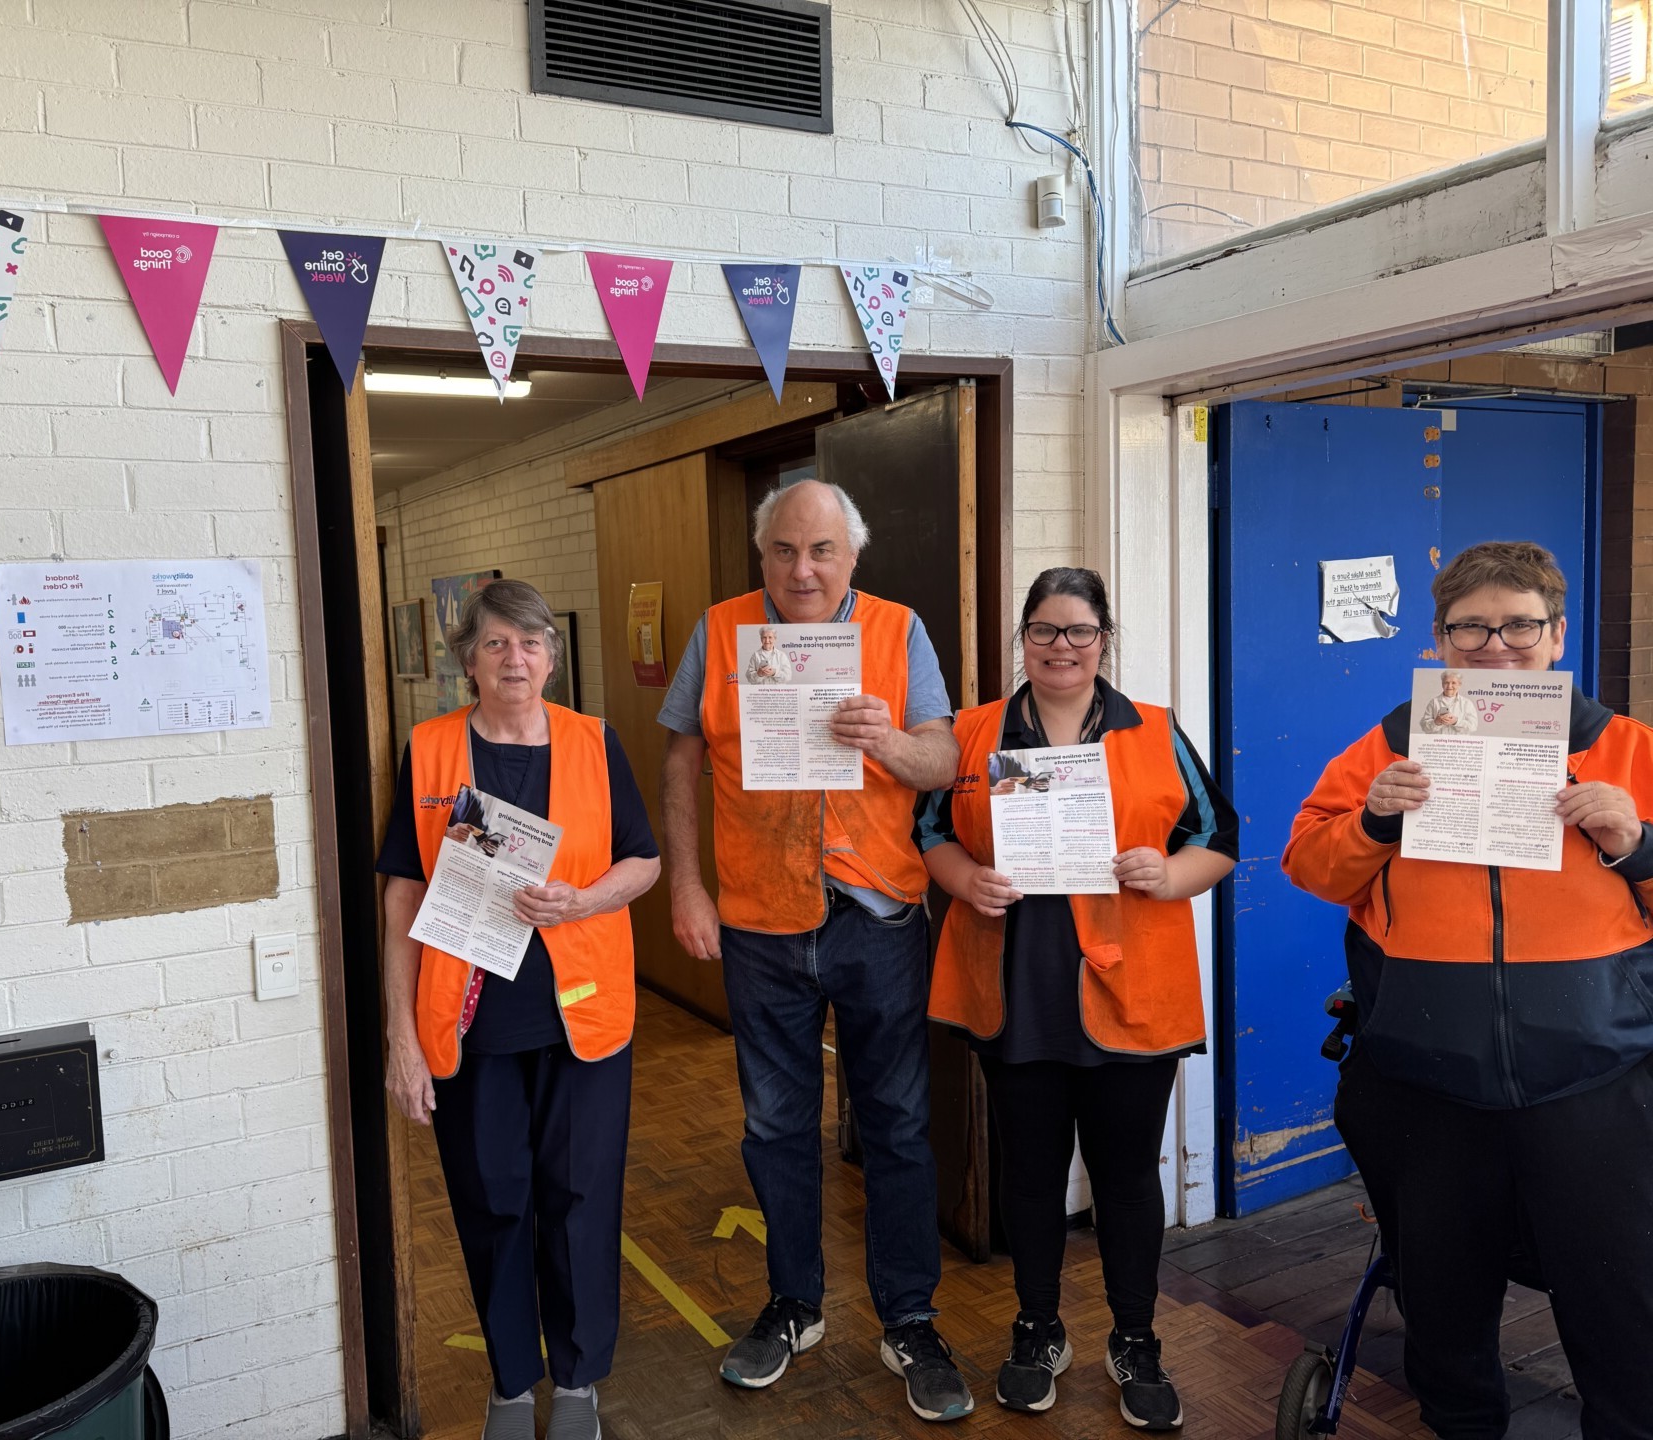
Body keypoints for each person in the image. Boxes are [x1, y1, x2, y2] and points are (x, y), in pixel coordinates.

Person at [1283, 541, 1653, 1440]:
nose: (1496, 646)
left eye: (1519, 625)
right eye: (1471, 628)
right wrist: (1374, 818)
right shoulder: (1388, 744)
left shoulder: (1630, 749)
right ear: (1439, 639)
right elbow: (1308, 864)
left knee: (1618, 1301)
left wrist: (1638, 842)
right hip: (1428, 1085)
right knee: (1443, 1307)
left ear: (1557, 635)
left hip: (1592, 1082)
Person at [657, 479, 974, 1422]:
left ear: (852, 555)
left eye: (822, 550)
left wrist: (888, 741)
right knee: (774, 1128)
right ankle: (794, 1305)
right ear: (762, 556)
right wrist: (684, 885)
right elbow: (680, 755)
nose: (803, 568)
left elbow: (944, 759)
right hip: (759, 919)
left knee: (900, 1128)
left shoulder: (898, 628)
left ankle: (908, 1317)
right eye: (784, 550)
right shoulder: (720, 633)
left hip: (878, 918)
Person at [917, 566, 1236, 1432]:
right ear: (1022, 638)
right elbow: (930, 833)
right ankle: (1037, 1330)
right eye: (1045, 631)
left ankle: (1135, 1339)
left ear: (1104, 639)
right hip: (1016, 992)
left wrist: (1166, 874)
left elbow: (1218, 839)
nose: (1062, 648)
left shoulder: (1156, 730)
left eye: (1080, 632)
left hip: (1133, 992)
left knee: (1129, 1175)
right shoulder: (976, 731)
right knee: (1031, 1172)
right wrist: (966, 880)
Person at [378, 579, 661, 1440]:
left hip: (584, 1020)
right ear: (468, 660)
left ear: (551, 656)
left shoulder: (592, 741)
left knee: (580, 1202)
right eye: (497, 644)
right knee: (492, 1201)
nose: (516, 659)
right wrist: (398, 1037)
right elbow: (401, 897)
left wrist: (584, 900)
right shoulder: (429, 749)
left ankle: (575, 1387)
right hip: (469, 1027)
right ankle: (510, 1384)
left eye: (531, 643)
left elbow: (643, 862)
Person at [1418, 669, 1478, 734]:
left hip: (1459, 743)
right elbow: (1424, 726)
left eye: (1453, 683)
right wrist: (1436, 722)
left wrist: (1456, 721)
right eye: (1446, 682)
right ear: (1442, 684)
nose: (1449, 686)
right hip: (1437, 743)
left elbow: (1473, 726)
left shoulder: (1467, 703)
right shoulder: (1434, 702)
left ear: (1459, 684)